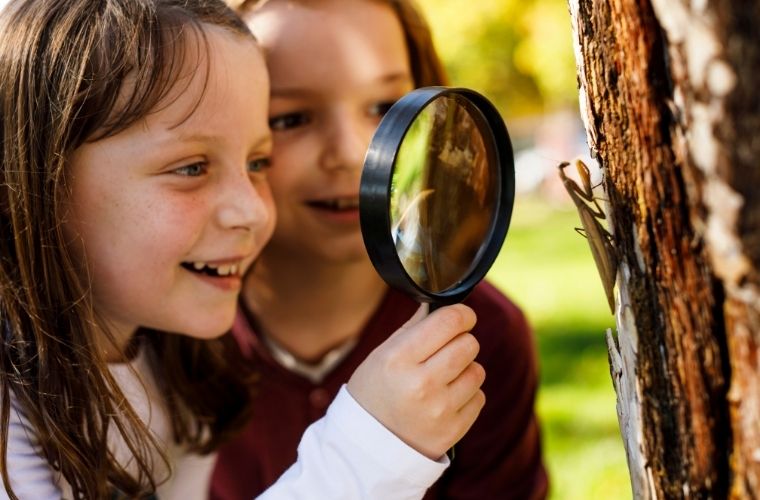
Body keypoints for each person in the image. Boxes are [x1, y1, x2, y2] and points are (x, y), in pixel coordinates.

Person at [0, 0, 487, 498]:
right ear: (36, 179)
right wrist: (369, 452)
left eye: (257, 163)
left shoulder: (171, 369)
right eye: (191, 168)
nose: (254, 211)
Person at [211, 0, 548, 498]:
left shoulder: (478, 339)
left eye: (386, 109)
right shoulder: (167, 335)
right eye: (291, 118)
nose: (351, 152)